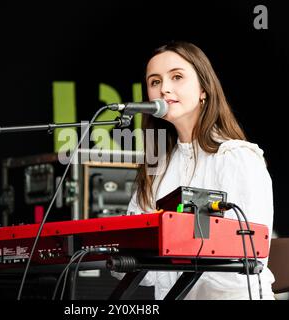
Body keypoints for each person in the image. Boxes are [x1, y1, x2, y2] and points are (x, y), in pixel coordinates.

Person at [112, 41, 275, 300]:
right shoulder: (158, 167)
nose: (164, 88)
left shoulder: (237, 157)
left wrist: (173, 245)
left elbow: (248, 252)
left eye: (177, 77)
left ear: (203, 89)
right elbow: (138, 265)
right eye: (154, 82)